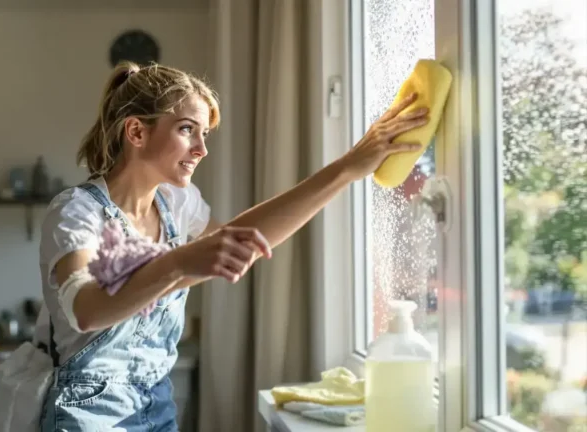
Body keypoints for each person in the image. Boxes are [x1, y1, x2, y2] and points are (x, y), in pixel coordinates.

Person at [35, 61, 429, 431]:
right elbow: (87, 311)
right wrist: (180, 261)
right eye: (188, 129)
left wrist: (347, 169)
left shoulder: (175, 202)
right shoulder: (76, 212)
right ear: (136, 132)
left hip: (156, 405)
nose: (202, 149)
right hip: (86, 412)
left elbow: (243, 242)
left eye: (204, 134)